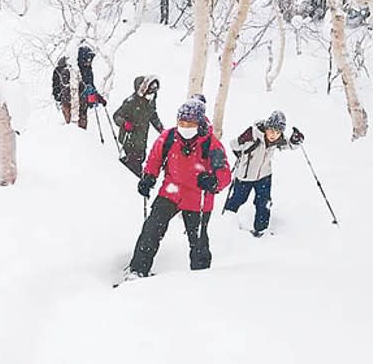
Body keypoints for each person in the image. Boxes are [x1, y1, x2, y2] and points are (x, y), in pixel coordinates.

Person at [126, 100, 232, 279]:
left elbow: (224, 174)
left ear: (199, 124)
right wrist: (148, 178)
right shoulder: (168, 137)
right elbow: (154, 159)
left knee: (198, 242)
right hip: (170, 192)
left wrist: (213, 181)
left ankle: (202, 277)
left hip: (197, 199)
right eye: (181, 122)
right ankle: (137, 270)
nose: (185, 127)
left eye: (190, 124)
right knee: (151, 230)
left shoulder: (212, 145)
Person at [223, 110, 305, 237]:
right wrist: (241, 147)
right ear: (266, 127)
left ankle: (261, 229)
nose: (274, 135)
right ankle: (225, 223)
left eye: (278, 132)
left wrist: (295, 141)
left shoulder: (277, 140)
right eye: (271, 130)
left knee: (263, 203)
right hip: (245, 176)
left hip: (264, 176)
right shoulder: (253, 135)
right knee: (238, 199)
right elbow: (233, 145)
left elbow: (288, 144)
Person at [112, 75, 164, 177]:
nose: (152, 94)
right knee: (133, 162)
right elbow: (116, 116)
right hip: (129, 137)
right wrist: (124, 123)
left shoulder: (150, 101)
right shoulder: (131, 102)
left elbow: (153, 115)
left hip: (142, 137)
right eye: (150, 91)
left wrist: (161, 129)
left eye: (153, 91)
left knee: (141, 156)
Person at [51, 46, 106, 129]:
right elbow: (70, 90)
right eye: (87, 59)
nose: (89, 61)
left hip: (82, 104)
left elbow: (90, 86)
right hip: (70, 104)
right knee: (72, 128)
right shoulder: (71, 71)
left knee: (81, 127)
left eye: (90, 59)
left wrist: (97, 97)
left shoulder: (87, 70)